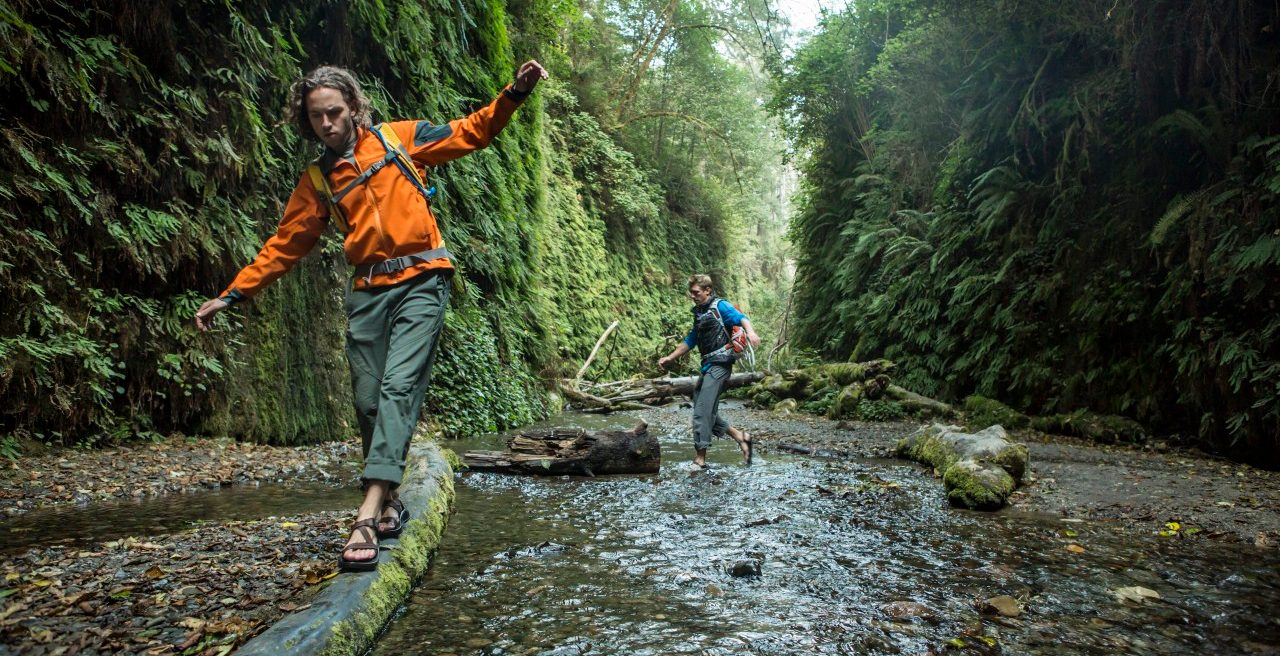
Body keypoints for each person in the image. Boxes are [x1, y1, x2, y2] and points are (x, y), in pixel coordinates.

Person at [194, 61, 548, 571]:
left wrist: (514, 93)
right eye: (316, 118)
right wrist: (233, 293)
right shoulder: (318, 180)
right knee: (366, 399)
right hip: (367, 290)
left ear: (355, 107)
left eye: (335, 112)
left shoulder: (401, 140)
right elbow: (284, 246)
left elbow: (472, 132)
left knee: (398, 387)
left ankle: (367, 508)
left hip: (424, 280)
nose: (327, 124)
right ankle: (393, 497)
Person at [657, 274, 761, 470]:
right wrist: (670, 357)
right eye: (691, 293)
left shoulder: (720, 306)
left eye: (696, 292)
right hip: (707, 366)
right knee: (705, 411)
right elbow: (691, 339)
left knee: (701, 412)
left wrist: (751, 332)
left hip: (720, 365)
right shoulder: (699, 312)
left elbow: (741, 318)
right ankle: (741, 437)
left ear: (707, 291)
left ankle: (700, 459)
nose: (693, 296)